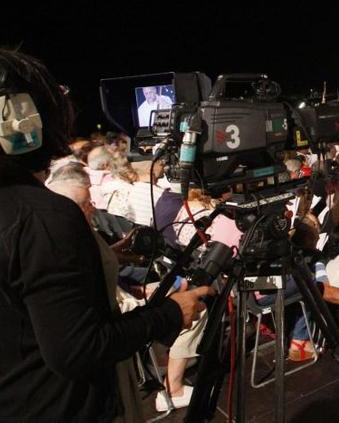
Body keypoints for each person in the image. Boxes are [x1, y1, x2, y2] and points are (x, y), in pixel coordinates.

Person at [0, 48, 210, 422]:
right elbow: (78, 349)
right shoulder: (42, 215)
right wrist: (170, 314)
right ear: (22, 120)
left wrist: (104, 255)